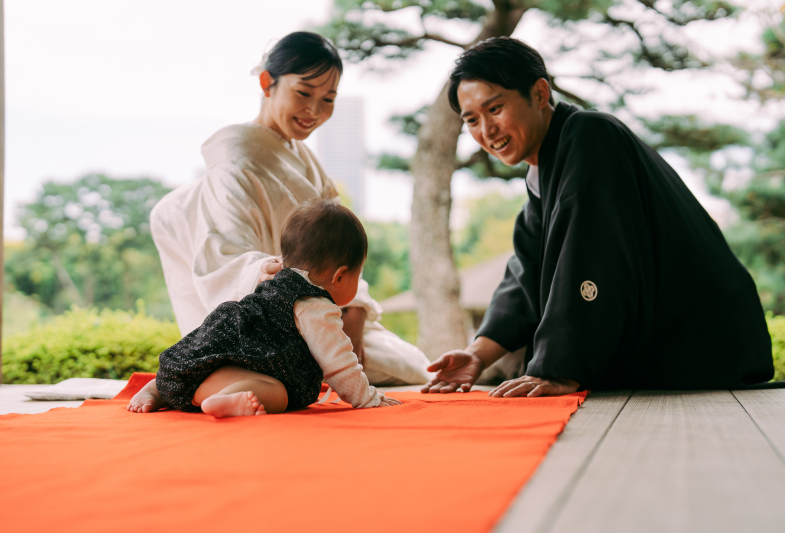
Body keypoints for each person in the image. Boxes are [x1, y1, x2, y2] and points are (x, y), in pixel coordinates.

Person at [423, 37, 773, 397]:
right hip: (680, 348)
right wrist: (477, 354)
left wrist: (560, 367)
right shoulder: (545, 171)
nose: (487, 130)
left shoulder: (591, 135)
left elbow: (593, 255)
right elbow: (525, 273)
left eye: (495, 109)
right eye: (472, 120)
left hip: (705, 348)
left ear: (540, 94)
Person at [142, 31, 431, 408]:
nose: (314, 110)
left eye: (328, 99)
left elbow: (337, 247)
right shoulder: (237, 159)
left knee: (415, 366)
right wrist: (282, 274)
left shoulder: (305, 158)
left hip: (324, 304)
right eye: (303, 93)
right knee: (382, 369)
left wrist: (354, 309)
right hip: (269, 318)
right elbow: (223, 258)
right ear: (267, 83)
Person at [128, 199, 400, 417]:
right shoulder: (314, 305)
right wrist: (368, 399)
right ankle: (222, 402)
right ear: (340, 276)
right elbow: (340, 363)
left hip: (190, 372)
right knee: (277, 392)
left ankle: (156, 389)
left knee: (198, 355)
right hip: (219, 385)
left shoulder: (273, 279)